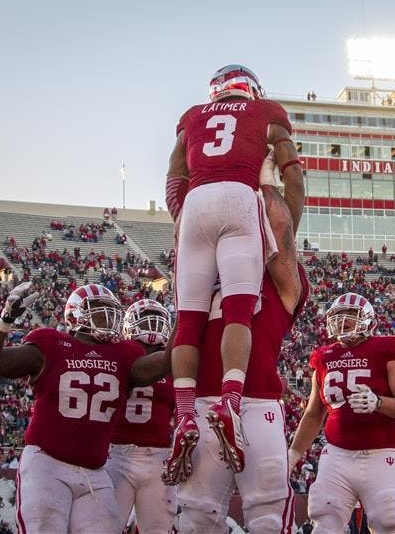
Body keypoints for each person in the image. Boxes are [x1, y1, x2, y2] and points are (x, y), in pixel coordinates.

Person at [166, 63, 305, 473]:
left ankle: (185, 414)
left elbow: (175, 175)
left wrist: (181, 219)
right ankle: (229, 402)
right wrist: (283, 232)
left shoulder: (192, 116)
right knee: (237, 311)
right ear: (252, 90)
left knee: (188, 319)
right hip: (240, 196)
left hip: (196, 203)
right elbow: (292, 175)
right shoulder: (266, 113)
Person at [168, 162, 309, 533]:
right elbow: (188, 223)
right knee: (195, 519)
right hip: (201, 404)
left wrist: (262, 181)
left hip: (256, 402)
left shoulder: (279, 281)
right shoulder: (199, 273)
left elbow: (281, 227)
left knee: (267, 514)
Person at [0, 283, 171, 533]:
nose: (107, 317)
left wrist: (188, 311)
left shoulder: (123, 353)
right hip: (47, 464)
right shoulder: (51, 345)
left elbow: (166, 360)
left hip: (95, 473)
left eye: (110, 310)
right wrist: (5, 321)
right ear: (75, 314)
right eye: (99, 310)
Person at [288, 292, 395, 533]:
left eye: (350, 315)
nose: (343, 321)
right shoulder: (324, 357)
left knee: (387, 521)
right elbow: (313, 413)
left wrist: (378, 403)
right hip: (337, 456)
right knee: (324, 521)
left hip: (379, 455)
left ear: (368, 319)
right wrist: (293, 455)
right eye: (338, 315)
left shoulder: (385, 348)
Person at [105, 299, 176, 533]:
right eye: (145, 317)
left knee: (157, 528)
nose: (152, 324)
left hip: (158, 455)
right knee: (104, 526)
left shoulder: (173, 362)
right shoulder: (119, 354)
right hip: (116, 452)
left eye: (156, 318)